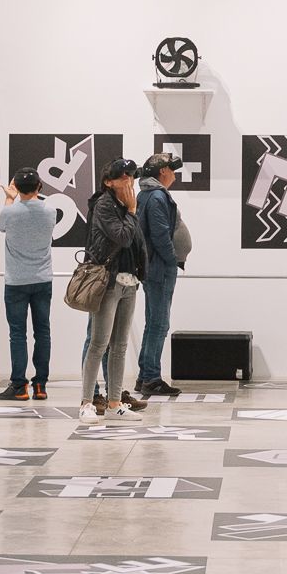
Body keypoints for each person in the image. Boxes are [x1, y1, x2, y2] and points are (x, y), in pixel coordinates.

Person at [76, 160, 149, 415]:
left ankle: (115, 403)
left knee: (119, 346)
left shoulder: (126, 205)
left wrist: (141, 274)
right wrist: (132, 211)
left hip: (129, 282)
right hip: (108, 282)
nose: (129, 179)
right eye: (123, 175)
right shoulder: (104, 205)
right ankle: (87, 402)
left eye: (132, 175)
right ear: (109, 182)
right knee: (98, 343)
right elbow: (123, 237)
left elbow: (138, 243)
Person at [133, 148, 189, 399]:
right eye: (172, 170)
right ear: (163, 171)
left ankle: (145, 375)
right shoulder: (156, 196)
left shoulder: (148, 194)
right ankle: (152, 379)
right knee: (159, 324)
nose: (175, 175)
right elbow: (160, 234)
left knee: (153, 323)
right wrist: (170, 260)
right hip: (159, 268)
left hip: (155, 267)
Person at [0, 169, 55, 402]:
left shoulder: (9, 212)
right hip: (42, 280)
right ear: (39, 186)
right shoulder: (50, 211)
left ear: (17, 187)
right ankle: (40, 385)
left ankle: (19, 386)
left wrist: (9, 198)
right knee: (43, 332)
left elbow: (2, 226)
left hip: (16, 282)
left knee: (18, 334)